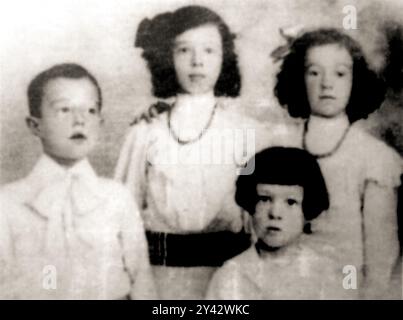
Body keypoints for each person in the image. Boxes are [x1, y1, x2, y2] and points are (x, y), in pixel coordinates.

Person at [114, 5, 277, 299]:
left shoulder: (246, 134)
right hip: (158, 280)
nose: (197, 62)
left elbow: (262, 213)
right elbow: (123, 214)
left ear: (224, 58)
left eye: (209, 51)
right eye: (184, 50)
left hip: (231, 280)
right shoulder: (146, 132)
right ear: (168, 57)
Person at [0, 63, 156, 299]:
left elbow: (141, 279)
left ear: (100, 123)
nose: (80, 120)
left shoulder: (116, 197)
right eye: (64, 109)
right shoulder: (8, 202)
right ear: (35, 125)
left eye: (91, 111)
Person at [274, 28, 403, 298]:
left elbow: (380, 260)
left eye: (340, 73)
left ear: (356, 81)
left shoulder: (374, 159)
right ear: (299, 78)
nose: (326, 84)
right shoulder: (277, 146)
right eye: (314, 72)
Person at [206, 147, 347, 299]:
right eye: (265, 199)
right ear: (251, 204)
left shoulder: (325, 274)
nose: (275, 213)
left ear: (307, 210)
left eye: (291, 202)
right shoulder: (230, 276)